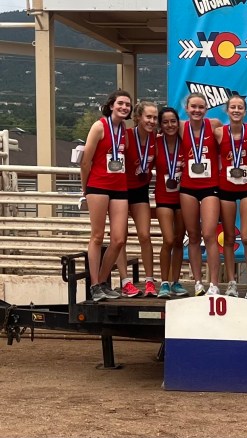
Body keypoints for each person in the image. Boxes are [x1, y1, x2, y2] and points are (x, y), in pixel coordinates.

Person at [80, 90, 131, 301]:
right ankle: (94, 284)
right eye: (120, 103)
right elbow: (85, 161)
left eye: (127, 104)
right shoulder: (99, 126)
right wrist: (85, 189)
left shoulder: (124, 129)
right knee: (97, 236)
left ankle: (101, 282)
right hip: (98, 186)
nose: (124, 107)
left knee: (118, 239)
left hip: (119, 187)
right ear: (111, 105)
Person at [215, 94, 247, 299]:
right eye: (233, 107)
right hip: (226, 188)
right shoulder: (218, 133)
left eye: (240, 107)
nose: (236, 110)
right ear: (227, 110)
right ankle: (231, 282)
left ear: (245, 111)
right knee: (229, 237)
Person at [179, 92, 222, 296]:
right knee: (193, 236)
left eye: (201, 107)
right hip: (188, 187)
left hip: (210, 186)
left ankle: (214, 283)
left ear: (206, 109)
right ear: (186, 108)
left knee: (210, 234)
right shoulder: (180, 126)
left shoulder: (214, 125)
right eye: (193, 107)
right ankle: (197, 282)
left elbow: (234, 135)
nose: (197, 110)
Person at [116, 101, 158, 297]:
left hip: (141, 190)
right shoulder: (126, 136)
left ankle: (149, 281)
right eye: (148, 117)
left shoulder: (156, 139)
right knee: (120, 238)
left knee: (145, 235)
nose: (152, 121)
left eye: (155, 118)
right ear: (138, 118)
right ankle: (125, 281)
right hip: (121, 191)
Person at [154, 107, 188, 299]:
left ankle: (175, 281)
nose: (169, 125)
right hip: (163, 198)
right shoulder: (156, 143)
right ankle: (164, 282)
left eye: (173, 121)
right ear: (160, 124)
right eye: (165, 122)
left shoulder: (186, 142)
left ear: (178, 122)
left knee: (178, 240)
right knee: (168, 239)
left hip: (183, 198)